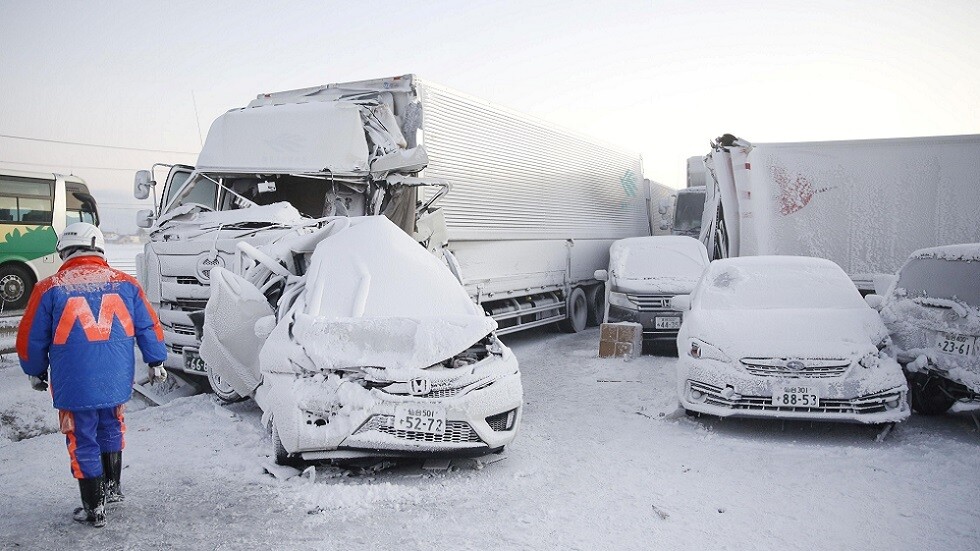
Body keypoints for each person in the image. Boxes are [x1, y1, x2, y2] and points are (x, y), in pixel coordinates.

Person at [16, 222, 168, 528]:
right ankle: (112, 489)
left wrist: (35, 370)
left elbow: (31, 337)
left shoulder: (49, 289)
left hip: (75, 384)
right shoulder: (126, 284)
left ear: (65, 251)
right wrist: (156, 361)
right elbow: (148, 325)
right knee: (111, 426)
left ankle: (94, 507)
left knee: (82, 437)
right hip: (116, 380)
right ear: (98, 246)